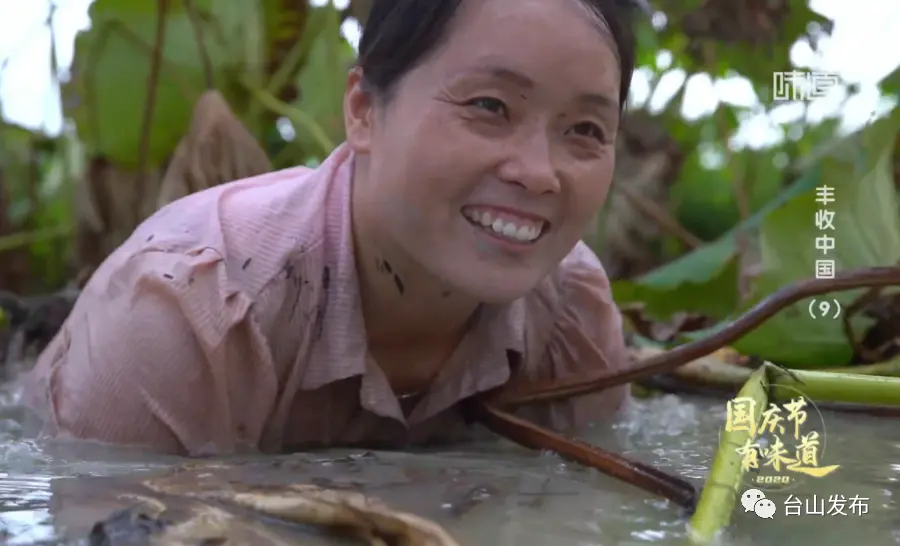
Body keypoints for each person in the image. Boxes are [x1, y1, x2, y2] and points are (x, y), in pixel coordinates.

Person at [24, 0, 637, 456]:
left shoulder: (570, 313)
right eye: (489, 107)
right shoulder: (190, 316)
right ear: (363, 110)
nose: (538, 174)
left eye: (584, 131)